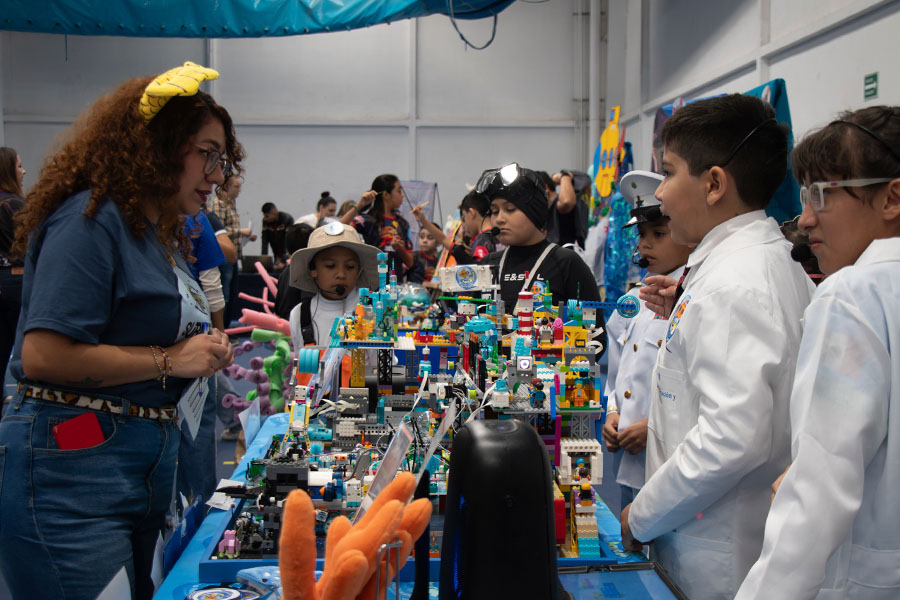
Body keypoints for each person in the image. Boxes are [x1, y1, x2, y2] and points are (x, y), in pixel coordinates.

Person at [0, 63, 237, 599]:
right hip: (74, 472)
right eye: (207, 153)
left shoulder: (150, 232)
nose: (217, 175)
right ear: (156, 145)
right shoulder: (90, 221)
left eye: (221, 159)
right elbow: (43, 355)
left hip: (137, 465)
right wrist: (172, 360)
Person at [618, 94, 814, 599]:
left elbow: (732, 437)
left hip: (716, 553)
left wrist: (643, 514)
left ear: (714, 184)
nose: (659, 192)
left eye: (670, 172)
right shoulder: (753, 266)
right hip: (721, 534)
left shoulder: (735, 284)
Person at [735, 106, 900, 599]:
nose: (804, 219)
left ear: (891, 197)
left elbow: (820, 490)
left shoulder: (855, 294)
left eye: (821, 196)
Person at [601, 170, 691, 508]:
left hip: (669, 457)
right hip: (628, 456)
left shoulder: (691, 297)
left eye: (659, 233)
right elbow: (615, 366)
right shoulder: (635, 299)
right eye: (641, 233)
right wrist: (612, 413)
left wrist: (653, 426)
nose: (645, 244)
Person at [477, 163, 602, 314]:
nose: (499, 219)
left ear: (535, 212)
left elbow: (596, 333)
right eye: (494, 211)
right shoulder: (489, 264)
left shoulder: (566, 263)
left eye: (510, 209)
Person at [287, 221, 379, 351]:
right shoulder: (300, 315)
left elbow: (380, 366)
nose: (341, 274)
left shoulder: (372, 311)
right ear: (313, 270)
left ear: (359, 271)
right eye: (330, 266)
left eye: (350, 267)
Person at [347, 174, 414, 282]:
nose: (402, 196)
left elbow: (410, 262)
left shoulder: (402, 224)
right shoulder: (367, 220)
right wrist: (360, 205)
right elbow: (339, 228)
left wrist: (400, 249)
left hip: (395, 288)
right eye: (399, 191)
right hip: (371, 286)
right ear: (386, 195)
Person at [209, 174, 255, 322]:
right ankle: (220, 330)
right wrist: (241, 232)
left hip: (232, 256)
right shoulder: (219, 204)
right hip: (223, 258)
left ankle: (226, 329)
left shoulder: (231, 203)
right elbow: (216, 233)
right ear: (226, 187)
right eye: (236, 186)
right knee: (223, 296)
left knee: (231, 294)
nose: (240, 190)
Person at [0, 147, 27, 382]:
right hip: (17, 280)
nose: (24, 171)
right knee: (26, 355)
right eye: (19, 166)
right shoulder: (15, 204)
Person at [540, 169, 591, 251]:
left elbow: (566, 202)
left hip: (563, 259)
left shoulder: (558, 206)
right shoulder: (541, 212)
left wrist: (564, 176)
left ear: (546, 188)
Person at [274, 222, 314, 319]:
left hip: (286, 324)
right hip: (299, 327)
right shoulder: (309, 273)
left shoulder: (285, 273)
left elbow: (278, 308)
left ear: (287, 250)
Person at [261, 201, 294, 270]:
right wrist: (263, 261)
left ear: (275, 213)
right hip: (276, 253)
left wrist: (284, 260)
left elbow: (288, 241)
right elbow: (264, 241)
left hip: (287, 255)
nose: (265, 219)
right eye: (264, 216)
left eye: (267, 216)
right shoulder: (266, 222)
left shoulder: (287, 219)